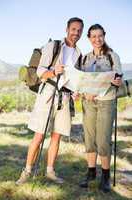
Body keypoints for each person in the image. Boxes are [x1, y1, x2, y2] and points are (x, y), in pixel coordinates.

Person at [16, 17, 84, 185]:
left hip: (65, 97)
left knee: (56, 136)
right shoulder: (53, 46)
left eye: (79, 30)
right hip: (48, 93)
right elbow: (40, 72)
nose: (76, 33)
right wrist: (54, 71)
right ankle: (27, 171)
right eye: (73, 29)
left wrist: (76, 92)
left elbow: (75, 79)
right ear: (67, 29)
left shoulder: (79, 54)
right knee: (39, 135)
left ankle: (50, 171)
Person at [79, 24, 122, 192]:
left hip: (106, 101)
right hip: (88, 102)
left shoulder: (112, 56)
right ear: (89, 38)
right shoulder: (85, 59)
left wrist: (116, 81)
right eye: (93, 36)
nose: (97, 39)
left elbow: (116, 77)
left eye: (100, 36)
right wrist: (84, 93)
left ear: (104, 36)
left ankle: (105, 176)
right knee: (90, 139)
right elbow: (82, 81)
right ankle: (91, 173)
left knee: (103, 141)